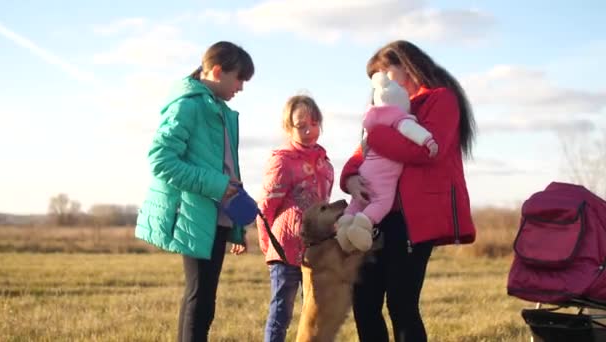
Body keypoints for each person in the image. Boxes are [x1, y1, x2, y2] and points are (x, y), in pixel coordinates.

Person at [340, 40, 477, 342]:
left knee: (401, 304)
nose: (381, 82)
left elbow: (427, 150)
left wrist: (376, 136)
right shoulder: (389, 110)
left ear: (407, 65)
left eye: (384, 73)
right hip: (376, 215)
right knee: (364, 301)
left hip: (413, 219)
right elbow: (361, 153)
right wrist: (350, 177)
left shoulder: (441, 99)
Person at [134, 41, 254, 342]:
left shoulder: (220, 111)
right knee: (200, 300)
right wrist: (216, 185)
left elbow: (226, 169)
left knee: (203, 301)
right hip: (196, 214)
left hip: (218, 218)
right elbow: (161, 161)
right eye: (239, 78)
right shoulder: (187, 105)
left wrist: (237, 226)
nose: (241, 87)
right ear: (217, 71)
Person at [256, 95, 334, 342]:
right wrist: (267, 243)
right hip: (285, 249)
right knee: (281, 311)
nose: (309, 130)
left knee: (314, 312)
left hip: (316, 249)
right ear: (288, 128)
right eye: (301, 126)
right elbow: (266, 207)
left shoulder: (325, 162)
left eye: (314, 123)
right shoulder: (282, 161)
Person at [336, 71, 438, 253]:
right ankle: (362, 226)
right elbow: (412, 131)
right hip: (384, 175)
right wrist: (428, 141)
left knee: (358, 201)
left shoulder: (372, 121)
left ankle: (344, 225)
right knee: (381, 202)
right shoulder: (399, 118)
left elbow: (362, 149)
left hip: (366, 169)